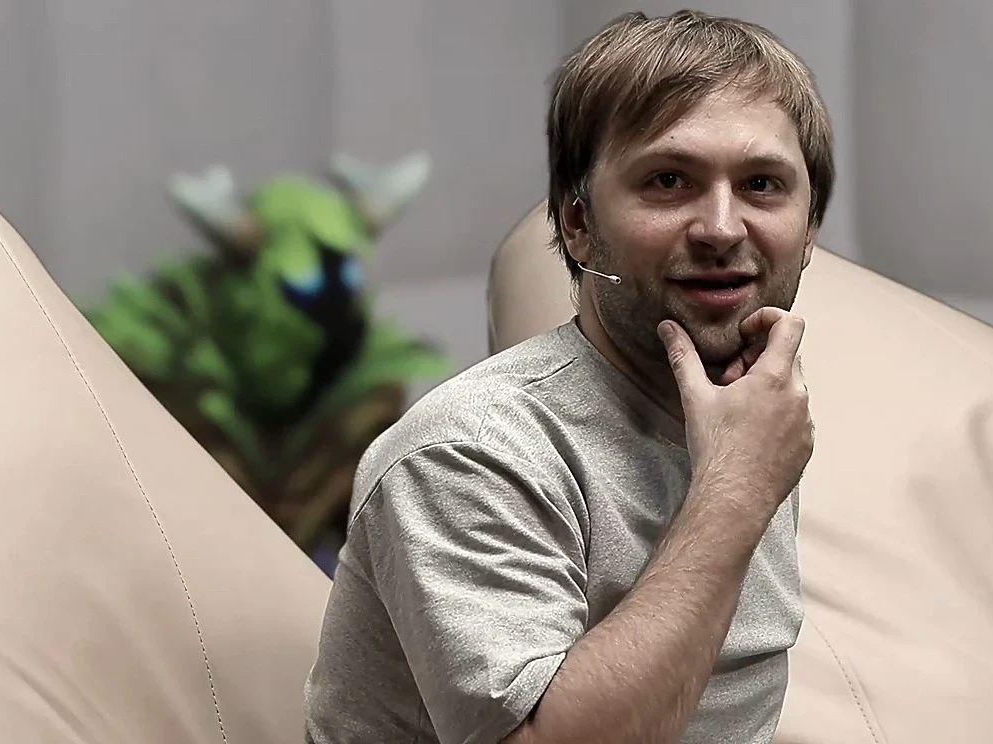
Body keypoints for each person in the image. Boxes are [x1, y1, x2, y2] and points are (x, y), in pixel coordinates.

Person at [304, 9, 835, 743]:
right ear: (579, 225)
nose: (720, 227)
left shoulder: (750, 412)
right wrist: (736, 489)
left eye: (762, 185)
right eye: (669, 180)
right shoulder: (466, 452)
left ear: (807, 232)